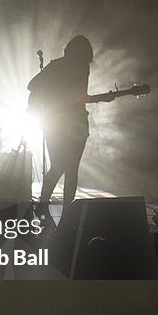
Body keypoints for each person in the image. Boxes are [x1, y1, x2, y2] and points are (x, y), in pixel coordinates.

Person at [27, 35, 110, 216]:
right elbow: (33, 85)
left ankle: (55, 209)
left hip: (62, 122)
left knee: (65, 167)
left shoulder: (74, 67)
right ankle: (60, 211)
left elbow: (78, 97)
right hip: (66, 122)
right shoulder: (64, 67)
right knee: (66, 167)